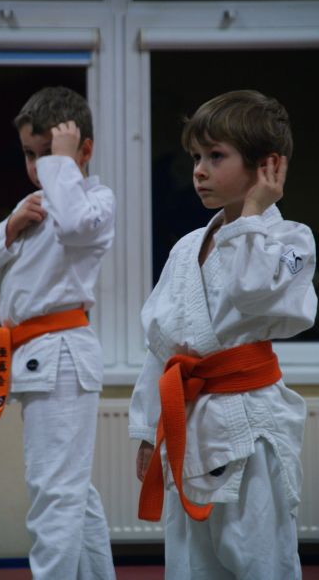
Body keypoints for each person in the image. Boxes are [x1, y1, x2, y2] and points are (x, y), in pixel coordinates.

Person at [129, 89, 317, 580]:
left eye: (216, 156)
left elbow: (255, 293)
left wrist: (254, 214)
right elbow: (161, 345)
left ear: (267, 165)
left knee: (259, 559)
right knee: (191, 562)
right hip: (186, 421)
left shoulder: (291, 239)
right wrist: (148, 430)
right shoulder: (188, 246)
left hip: (250, 425)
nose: (199, 170)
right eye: (196, 156)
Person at [0, 86, 116, 580]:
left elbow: (74, 225)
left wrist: (62, 163)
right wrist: (10, 228)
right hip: (34, 356)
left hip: (61, 357)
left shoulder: (96, 200)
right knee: (72, 491)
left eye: (46, 154)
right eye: (30, 156)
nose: (37, 167)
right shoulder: (31, 204)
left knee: (54, 493)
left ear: (84, 151)